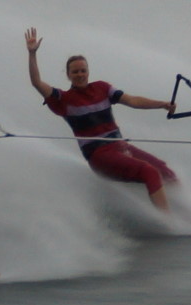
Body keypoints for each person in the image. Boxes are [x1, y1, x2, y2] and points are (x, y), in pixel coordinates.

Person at [25, 27, 178, 212]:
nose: (80, 74)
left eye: (83, 70)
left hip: (121, 147)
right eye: (75, 72)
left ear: (88, 72)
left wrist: (162, 104)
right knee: (149, 171)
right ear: (68, 75)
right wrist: (32, 54)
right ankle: (169, 221)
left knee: (165, 171)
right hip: (99, 157)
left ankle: (189, 212)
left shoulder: (102, 88)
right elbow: (36, 83)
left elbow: (132, 100)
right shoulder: (63, 100)